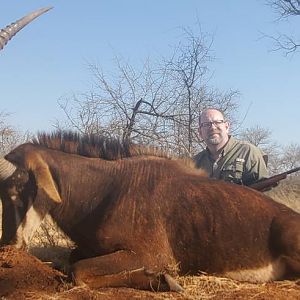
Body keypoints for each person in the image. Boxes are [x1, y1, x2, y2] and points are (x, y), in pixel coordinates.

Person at [193, 108, 268, 186]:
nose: (212, 127)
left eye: (217, 122)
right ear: (200, 132)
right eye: (206, 124)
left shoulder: (249, 152)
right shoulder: (195, 163)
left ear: (227, 127)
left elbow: (263, 192)